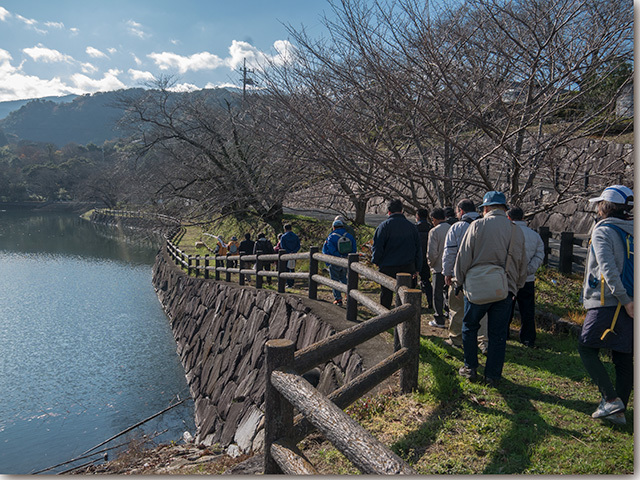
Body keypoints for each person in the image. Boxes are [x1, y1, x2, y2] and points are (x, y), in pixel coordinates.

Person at [454, 191, 527, 386]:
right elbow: (521, 262)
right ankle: (493, 375)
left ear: (485, 209)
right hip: (504, 289)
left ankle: (470, 367)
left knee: (469, 326)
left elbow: (464, 256)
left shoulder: (477, 225)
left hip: (477, 287)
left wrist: (458, 281)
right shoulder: (515, 230)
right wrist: (516, 287)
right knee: (498, 333)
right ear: (505, 209)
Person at [577, 185, 634, 425]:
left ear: (605, 207)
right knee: (623, 356)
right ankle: (618, 412)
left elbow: (608, 270)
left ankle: (611, 400)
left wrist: (624, 300)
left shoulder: (603, 231)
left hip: (607, 301)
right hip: (631, 300)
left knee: (586, 348)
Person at [442, 199, 488, 353]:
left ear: (460, 211)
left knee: (457, 308)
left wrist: (447, 273)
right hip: (483, 274)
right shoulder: (486, 225)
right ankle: (483, 342)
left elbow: (450, 252)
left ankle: (456, 338)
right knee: (483, 310)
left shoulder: (457, 227)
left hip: (460, 274)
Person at [371, 199, 423, 309]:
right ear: (402, 210)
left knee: (386, 293)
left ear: (388, 212)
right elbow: (418, 248)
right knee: (406, 294)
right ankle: (405, 317)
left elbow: (378, 246)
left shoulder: (384, 226)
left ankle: (385, 318)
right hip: (408, 266)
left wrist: (376, 260)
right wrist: (417, 267)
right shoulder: (411, 227)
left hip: (388, 266)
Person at [507, 206, 545, 347]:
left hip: (509, 277)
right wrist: (529, 269)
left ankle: (504, 333)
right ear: (523, 218)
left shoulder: (507, 233)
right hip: (528, 278)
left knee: (506, 307)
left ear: (509, 217)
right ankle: (528, 338)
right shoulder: (534, 235)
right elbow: (540, 254)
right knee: (527, 310)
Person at [322, 218, 357, 306]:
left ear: (333, 227)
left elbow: (328, 249)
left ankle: (338, 299)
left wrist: (330, 260)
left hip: (335, 261)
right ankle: (347, 294)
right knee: (344, 278)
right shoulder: (349, 236)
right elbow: (354, 249)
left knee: (335, 280)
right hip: (346, 261)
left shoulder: (331, 237)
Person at [427, 208, 451, 327]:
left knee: (437, 293)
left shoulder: (434, 231)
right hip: (452, 266)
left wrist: (430, 263)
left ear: (434, 219)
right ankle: (450, 314)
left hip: (438, 267)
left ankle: (439, 318)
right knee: (449, 292)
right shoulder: (452, 227)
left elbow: (432, 253)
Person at [415, 208, 434, 309]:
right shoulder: (431, 228)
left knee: (412, 281)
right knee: (426, 280)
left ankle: (411, 303)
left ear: (417, 216)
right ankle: (430, 302)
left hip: (416, 258)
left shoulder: (414, 228)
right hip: (427, 257)